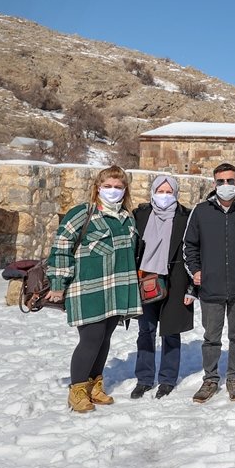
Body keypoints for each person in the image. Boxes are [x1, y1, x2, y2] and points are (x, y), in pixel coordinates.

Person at [47, 166, 141, 413]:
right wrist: (58, 284)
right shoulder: (82, 213)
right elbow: (61, 247)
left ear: (125, 190)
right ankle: (77, 390)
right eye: (108, 186)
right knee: (91, 339)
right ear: (98, 188)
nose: (113, 191)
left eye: (118, 187)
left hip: (117, 290)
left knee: (105, 339)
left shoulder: (127, 218)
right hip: (88, 288)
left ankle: (94, 385)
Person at [183, 163, 235, 403]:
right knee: (211, 336)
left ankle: (233, 378)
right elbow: (189, 245)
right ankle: (210, 379)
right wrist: (196, 271)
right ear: (214, 184)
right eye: (221, 181)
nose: (226, 186)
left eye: (230, 181)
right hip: (211, 286)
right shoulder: (201, 212)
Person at [131, 175, 194, 400]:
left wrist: (192, 289)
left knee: (171, 331)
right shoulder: (140, 215)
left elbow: (194, 253)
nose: (165, 196)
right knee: (145, 331)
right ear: (153, 191)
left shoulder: (185, 218)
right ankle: (144, 378)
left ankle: (167, 379)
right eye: (161, 191)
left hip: (175, 281)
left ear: (176, 194)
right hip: (145, 279)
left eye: (169, 192)